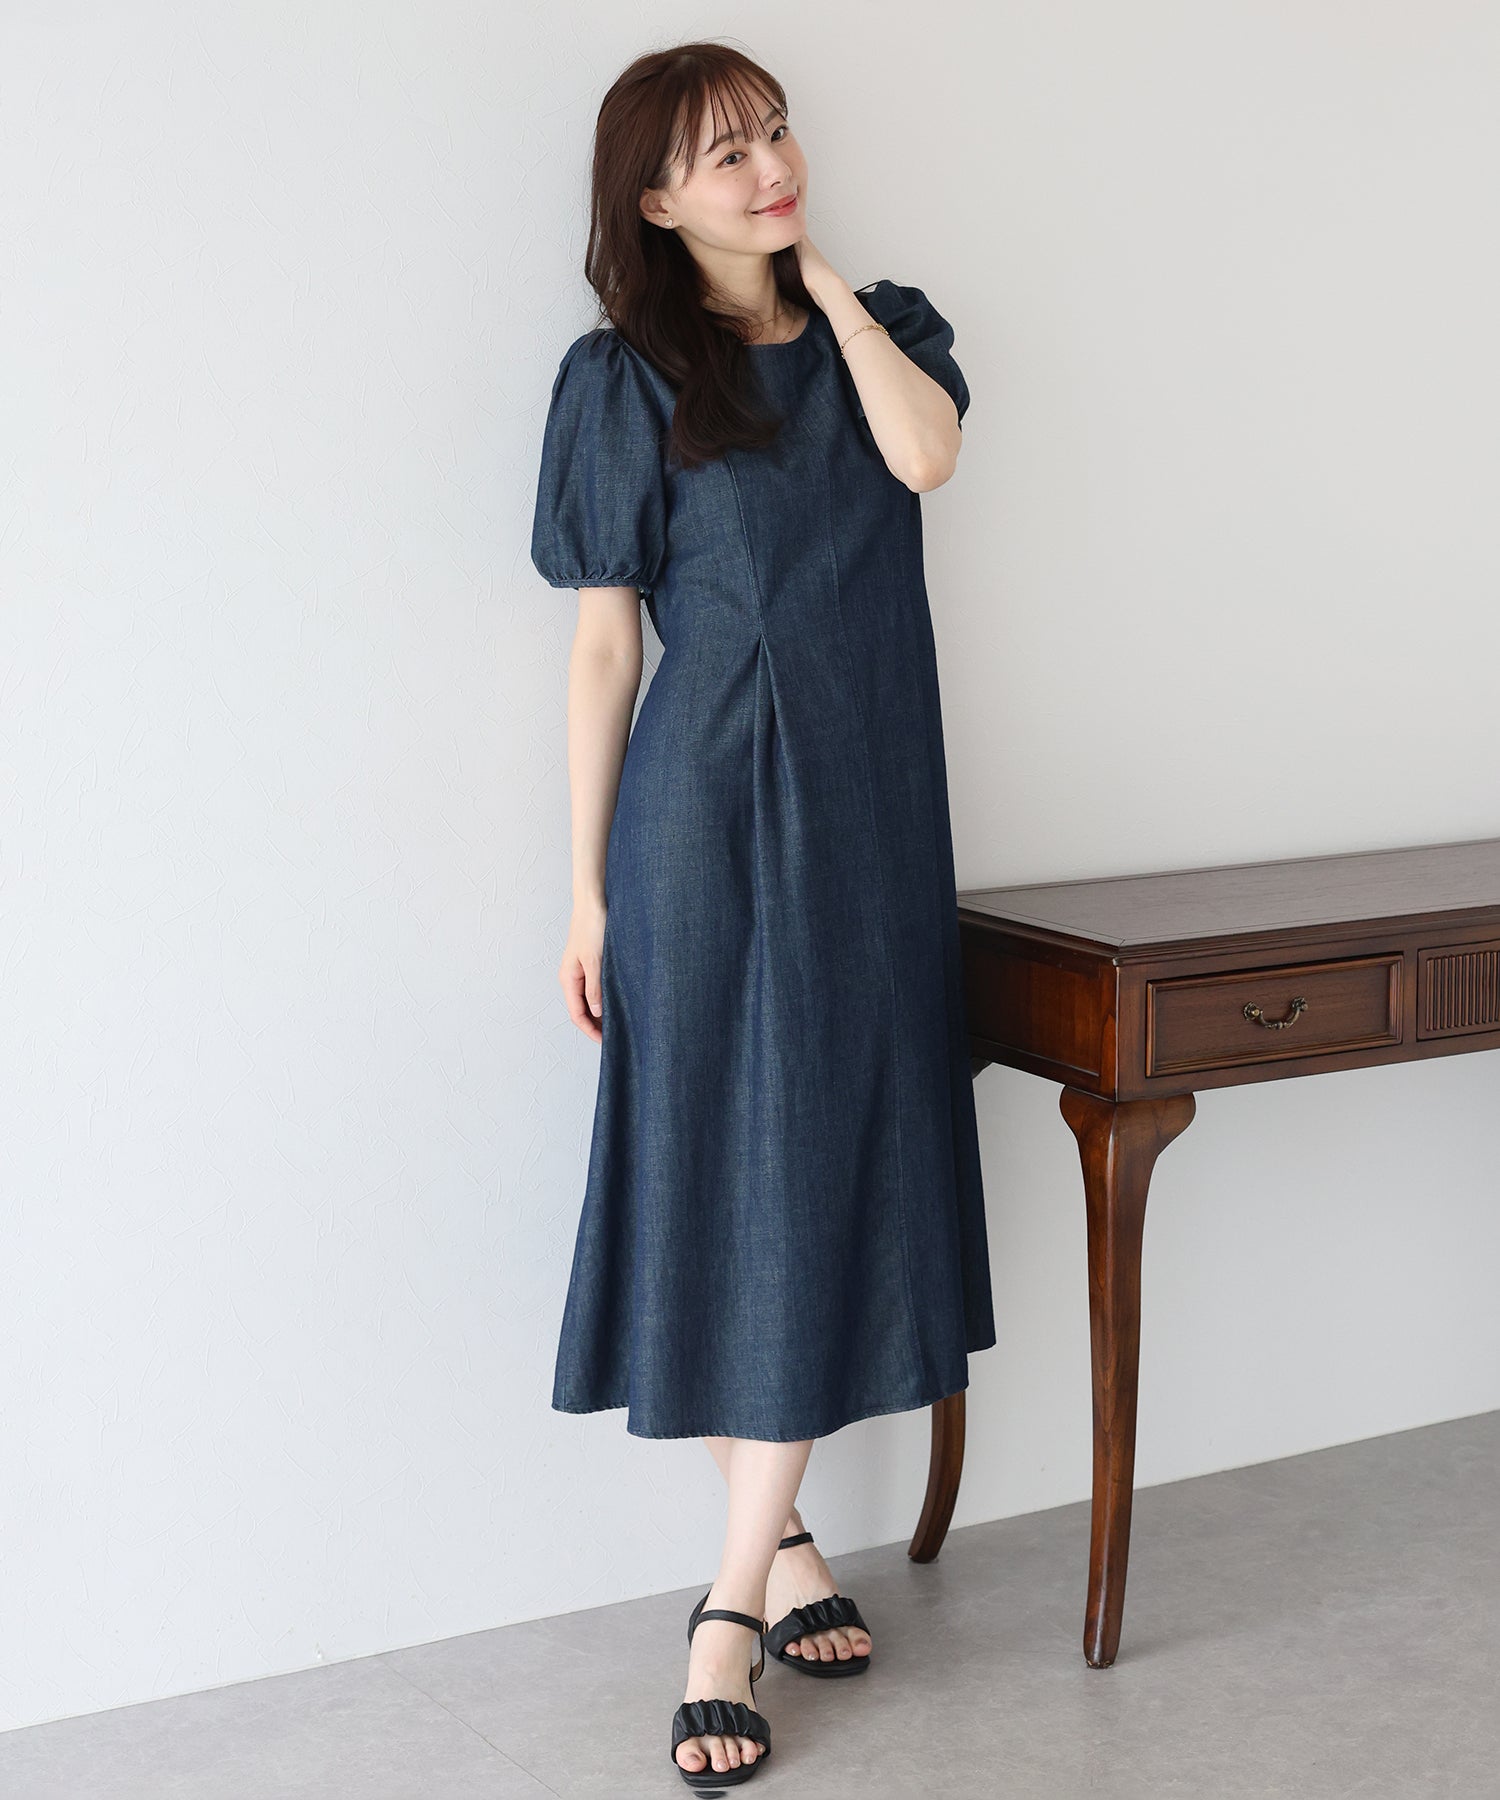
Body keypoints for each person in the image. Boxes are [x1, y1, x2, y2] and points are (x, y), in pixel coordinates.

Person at [529, 41, 997, 1788]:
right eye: (724, 155)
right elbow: (604, 647)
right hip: (702, 811)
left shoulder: (893, 328)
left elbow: (927, 459)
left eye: (774, 134)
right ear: (656, 200)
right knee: (717, 1167)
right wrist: (586, 888)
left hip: (870, 810)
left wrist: (826, 292)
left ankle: (771, 1547)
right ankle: (739, 1600)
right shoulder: (621, 377)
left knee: (826, 1155)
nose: (768, 166)